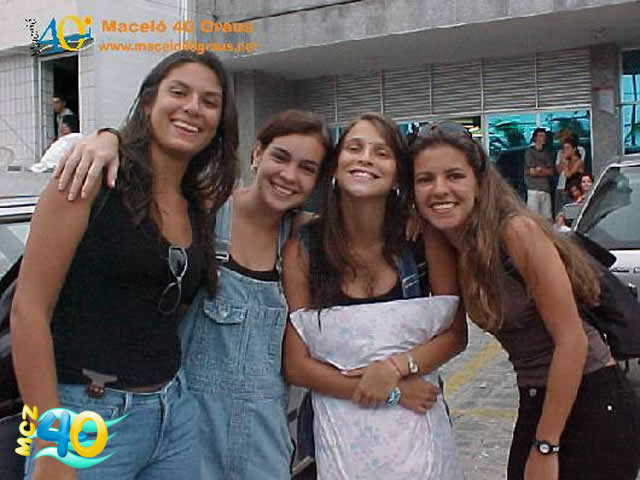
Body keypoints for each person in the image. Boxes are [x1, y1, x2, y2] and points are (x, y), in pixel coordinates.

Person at [53, 109, 333, 479]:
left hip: (264, 439)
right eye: (280, 157)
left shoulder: (303, 240)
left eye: (307, 168)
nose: (289, 175)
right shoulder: (203, 215)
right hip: (185, 428)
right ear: (257, 154)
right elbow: (145, 182)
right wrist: (108, 138)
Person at [11, 50, 239, 480]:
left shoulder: (196, 207)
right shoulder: (87, 181)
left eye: (210, 101)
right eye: (179, 92)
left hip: (174, 413)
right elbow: (29, 311)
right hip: (87, 417)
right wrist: (51, 444)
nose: (193, 107)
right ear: (149, 102)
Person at [410, 122, 640, 480]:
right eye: (425, 179)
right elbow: (450, 333)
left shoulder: (516, 232)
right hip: (535, 396)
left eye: (454, 175)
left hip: (590, 392)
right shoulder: (444, 241)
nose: (440, 189)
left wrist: (546, 446)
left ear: (479, 181)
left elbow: (572, 341)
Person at [282, 113, 467, 479]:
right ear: (336, 165)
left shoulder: (422, 238)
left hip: (419, 436)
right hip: (340, 438)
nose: (365, 158)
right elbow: (297, 365)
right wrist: (393, 391)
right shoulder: (303, 249)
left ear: (398, 174)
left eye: (381, 152)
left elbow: (455, 334)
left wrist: (395, 369)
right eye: (354, 148)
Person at [525, 128, 554, 220]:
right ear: (535, 138)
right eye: (541, 136)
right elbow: (532, 172)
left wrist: (541, 169)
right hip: (533, 189)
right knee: (534, 218)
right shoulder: (529, 152)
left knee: (547, 218)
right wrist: (544, 171)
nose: (543, 138)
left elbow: (551, 172)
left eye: (544, 136)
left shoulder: (547, 153)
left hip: (545, 189)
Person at [555, 134, 585, 212]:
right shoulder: (567, 160)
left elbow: (568, 175)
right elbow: (559, 171)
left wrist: (565, 163)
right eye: (564, 148)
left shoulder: (579, 161)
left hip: (576, 191)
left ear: (574, 149)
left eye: (568, 148)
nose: (565, 150)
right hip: (566, 189)